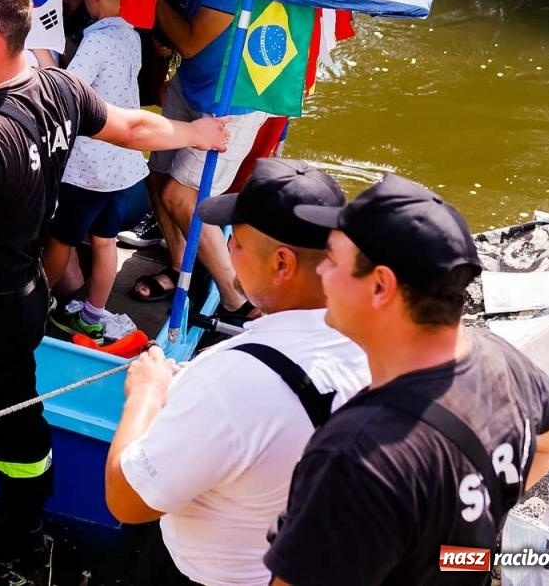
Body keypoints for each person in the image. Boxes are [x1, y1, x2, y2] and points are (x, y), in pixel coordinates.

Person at [0, 0, 233, 585]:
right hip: (23, 306)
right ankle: (22, 535)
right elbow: (133, 127)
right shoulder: (57, 89)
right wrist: (193, 134)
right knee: (18, 418)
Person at [264, 175, 549, 586]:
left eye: (332, 259)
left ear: (380, 286)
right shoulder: (500, 359)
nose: (321, 270)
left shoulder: (356, 456)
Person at [104, 159, 370, 586]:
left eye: (237, 244)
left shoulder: (230, 380)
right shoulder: (379, 341)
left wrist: (146, 395)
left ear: (281, 263)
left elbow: (127, 500)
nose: (228, 251)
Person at [134, 0, 266, 323]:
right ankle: (181, 269)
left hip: (231, 103)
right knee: (157, 175)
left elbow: (190, 43)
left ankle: (235, 296)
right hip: (191, 86)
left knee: (182, 196)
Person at [44, 0, 149, 341]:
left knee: (62, 238)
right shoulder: (131, 35)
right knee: (105, 243)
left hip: (90, 166)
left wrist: (43, 56)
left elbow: (70, 86)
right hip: (123, 165)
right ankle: (93, 313)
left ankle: (36, 301)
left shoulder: (97, 39)